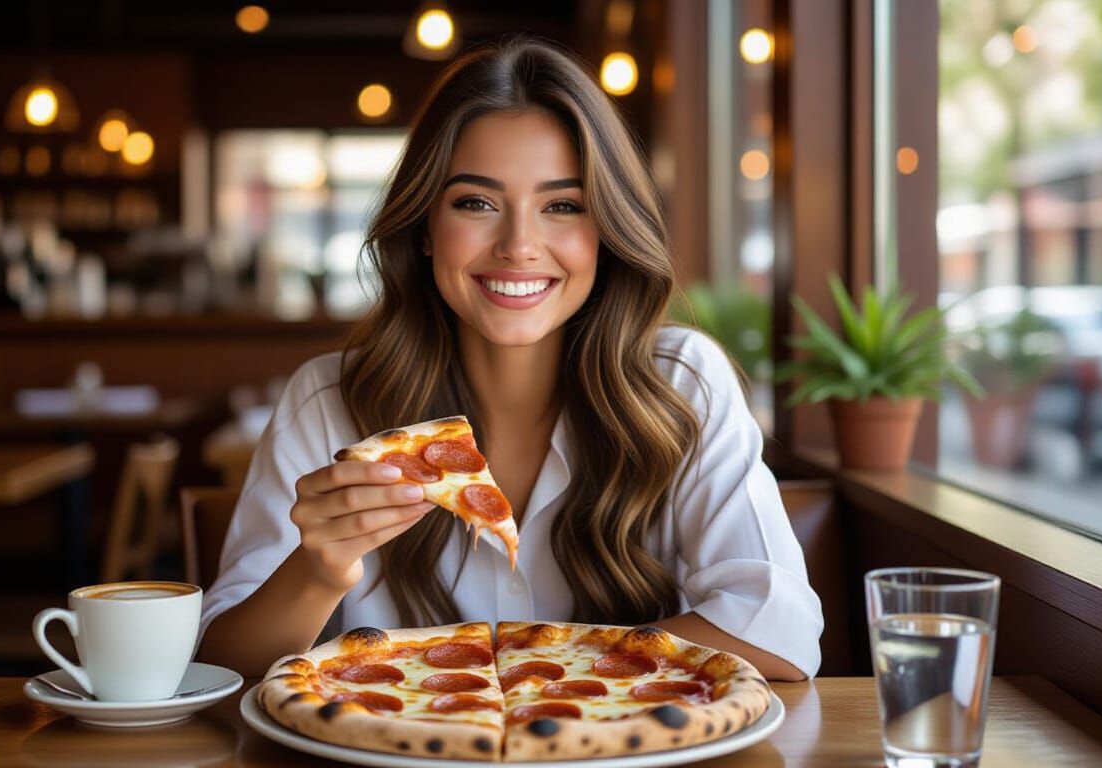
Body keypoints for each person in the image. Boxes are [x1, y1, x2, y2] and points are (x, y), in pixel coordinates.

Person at [197, 37, 822, 680]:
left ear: (607, 231)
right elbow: (221, 669)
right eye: (476, 203)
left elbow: (780, 632)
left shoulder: (681, 382)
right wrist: (319, 569)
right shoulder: (327, 398)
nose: (520, 245)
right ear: (423, 227)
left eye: (562, 206)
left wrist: (531, 674)